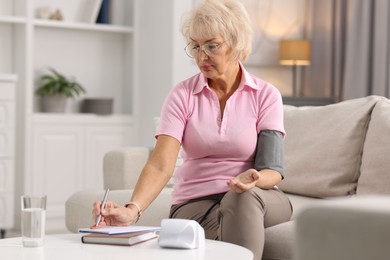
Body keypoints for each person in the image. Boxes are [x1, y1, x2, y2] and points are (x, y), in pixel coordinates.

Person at [92, 0, 292, 259]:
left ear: (237, 43)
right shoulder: (182, 95)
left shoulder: (265, 95)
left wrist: (254, 179)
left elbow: (272, 171)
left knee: (240, 200)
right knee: (232, 215)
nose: (202, 56)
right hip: (195, 204)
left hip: (259, 197)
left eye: (212, 45)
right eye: (195, 47)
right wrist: (132, 210)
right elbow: (160, 165)